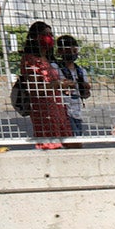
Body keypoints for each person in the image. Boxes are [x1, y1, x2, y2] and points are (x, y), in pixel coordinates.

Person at [18, 21, 74, 150]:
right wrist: (58, 84)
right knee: (52, 145)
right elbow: (35, 87)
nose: (49, 37)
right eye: (45, 34)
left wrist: (64, 85)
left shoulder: (48, 59)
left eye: (51, 34)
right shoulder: (30, 60)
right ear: (35, 37)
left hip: (58, 108)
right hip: (43, 110)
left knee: (69, 143)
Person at [51, 35, 91, 140]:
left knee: (77, 139)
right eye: (68, 50)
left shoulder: (81, 71)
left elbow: (85, 95)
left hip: (76, 113)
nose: (72, 54)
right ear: (60, 51)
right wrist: (62, 84)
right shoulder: (54, 68)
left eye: (74, 50)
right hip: (62, 112)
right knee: (72, 141)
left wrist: (85, 88)